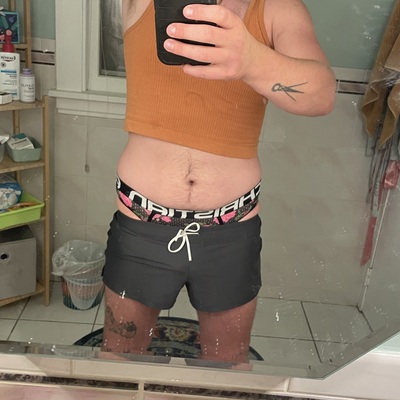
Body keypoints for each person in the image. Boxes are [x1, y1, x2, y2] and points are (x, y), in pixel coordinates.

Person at [101, 0, 336, 364]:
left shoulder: (277, 8)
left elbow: (322, 96)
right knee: (120, 357)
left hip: (231, 230)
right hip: (140, 223)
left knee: (227, 362)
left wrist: (251, 60)